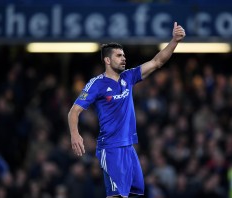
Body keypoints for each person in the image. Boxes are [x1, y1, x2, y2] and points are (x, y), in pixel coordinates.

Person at [68, 22, 185, 198]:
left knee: (134, 194)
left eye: (124, 55)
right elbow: (74, 111)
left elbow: (157, 62)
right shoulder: (96, 84)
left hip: (128, 147)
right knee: (116, 195)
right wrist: (75, 135)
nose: (124, 58)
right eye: (118, 55)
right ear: (107, 60)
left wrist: (174, 41)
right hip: (111, 147)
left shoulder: (128, 77)